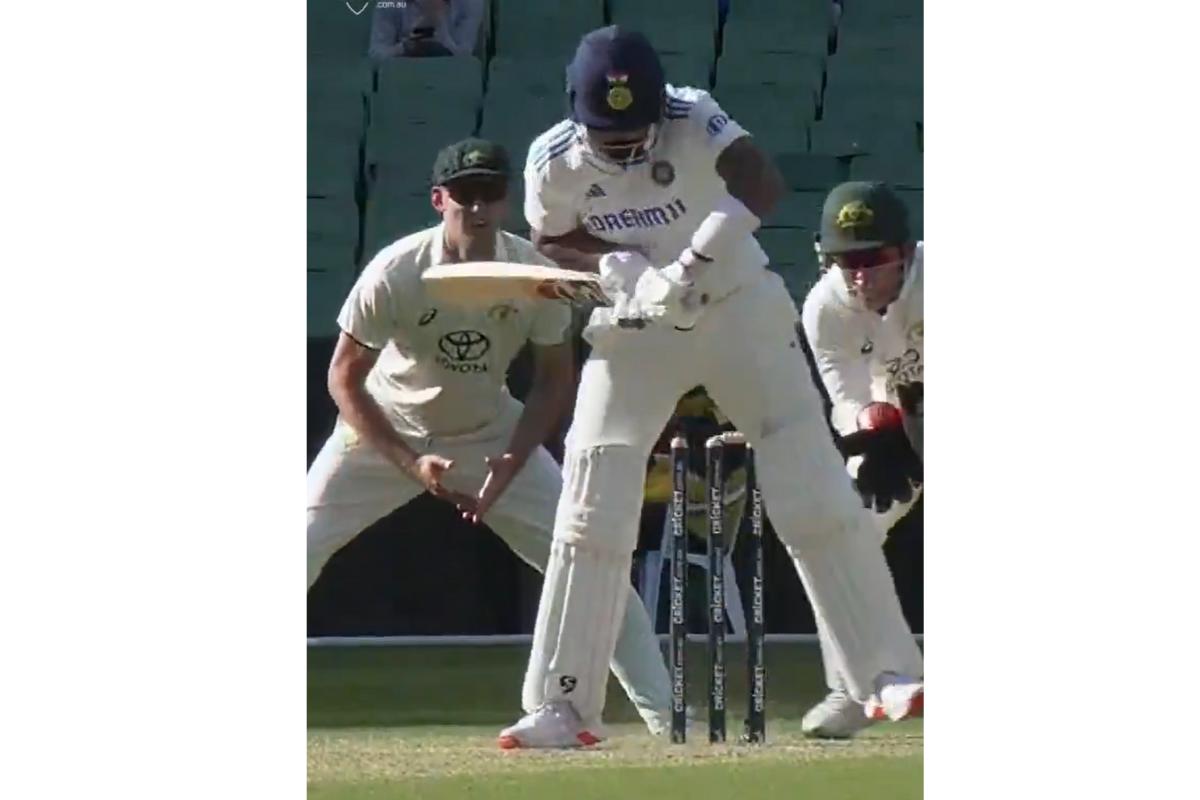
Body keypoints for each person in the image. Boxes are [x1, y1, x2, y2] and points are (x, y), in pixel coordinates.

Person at [497, 26, 924, 749]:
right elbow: (551, 239)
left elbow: (761, 181)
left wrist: (692, 262)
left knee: (812, 481)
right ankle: (562, 705)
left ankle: (883, 674)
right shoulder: (553, 159)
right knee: (591, 499)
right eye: (612, 136)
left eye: (639, 131)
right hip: (635, 327)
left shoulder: (693, 115)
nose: (630, 148)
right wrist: (623, 270)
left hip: (735, 304)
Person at [306, 137, 675, 736]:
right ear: (439, 199)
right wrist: (408, 462)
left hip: (490, 434)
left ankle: (668, 719)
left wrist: (511, 458)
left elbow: (556, 377)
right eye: (465, 196)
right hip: (386, 434)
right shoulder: (398, 271)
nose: (477, 210)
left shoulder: (532, 273)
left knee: (588, 557)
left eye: (490, 195)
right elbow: (344, 378)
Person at [799, 181, 924, 738]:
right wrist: (870, 427)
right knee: (842, 529)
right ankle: (851, 688)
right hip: (898, 427)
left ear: (904, 252)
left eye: (873, 260)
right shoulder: (825, 306)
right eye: (845, 261)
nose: (859, 276)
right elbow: (846, 396)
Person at [368, 0, 484, 59]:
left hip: (452, 81)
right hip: (403, 78)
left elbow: (465, 57)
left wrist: (441, 31)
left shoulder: (471, 3)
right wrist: (403, 48)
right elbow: (376, 54)